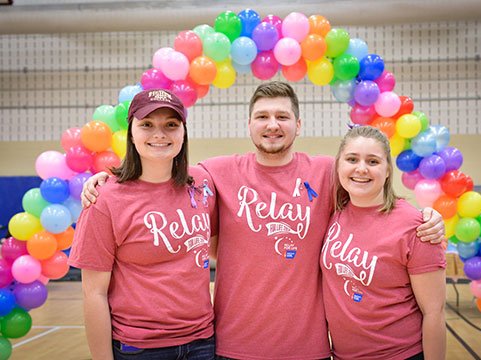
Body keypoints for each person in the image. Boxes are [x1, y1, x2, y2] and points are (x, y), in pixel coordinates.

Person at [81, 81, 446, 360]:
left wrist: (427, 217)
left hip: (310, 348)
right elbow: (156, 173)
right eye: (263, 117)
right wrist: (105, 180)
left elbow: (370, 188)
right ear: (250, 124)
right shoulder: (213, 175)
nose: (273, 125)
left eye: (282, 116)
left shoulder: (327, 172)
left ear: (298, 125)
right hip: (229, 345)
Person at [69, 89, 217, 360]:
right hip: (139, 349)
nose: (159, 134)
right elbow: (94, 294)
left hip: (203, 342)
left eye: (171, 125)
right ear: (131, 134)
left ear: (183, 133)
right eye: (147, 125)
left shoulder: (203, 181)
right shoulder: (104, 199)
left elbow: (220, 246)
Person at [321, 125, 446, 360]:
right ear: (339, 165)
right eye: (351, 159)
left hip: (400, 355)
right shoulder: (332, 212)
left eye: (373, 161)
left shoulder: (416, 226)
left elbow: (434, 313)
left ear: (388, 169)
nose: (361, 169)